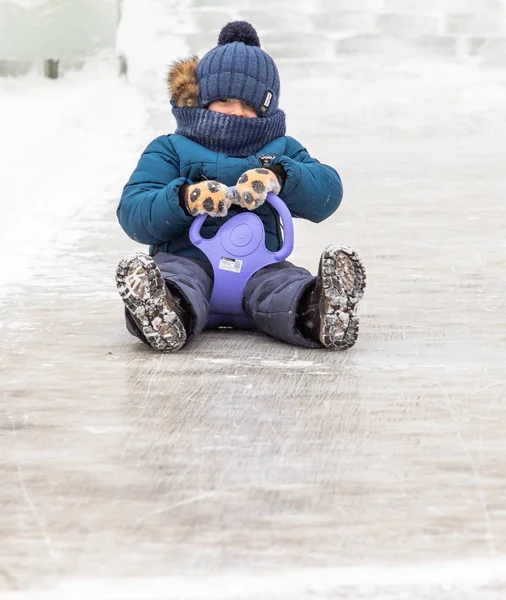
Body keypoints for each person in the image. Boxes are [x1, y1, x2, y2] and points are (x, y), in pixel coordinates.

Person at [116, 21, 366, 353]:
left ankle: (319, 310)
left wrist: (282, 177)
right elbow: (134, 210)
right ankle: (163, 309)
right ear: (203, 99)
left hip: (260, 266)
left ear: (267, 107)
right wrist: (185, 198)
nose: (238, 112)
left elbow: (327, 192)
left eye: (251, 105)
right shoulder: (171, 148)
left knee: (284, 285)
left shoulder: (282, 149)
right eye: (225, 99)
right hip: (187, 260)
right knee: (175, 277)